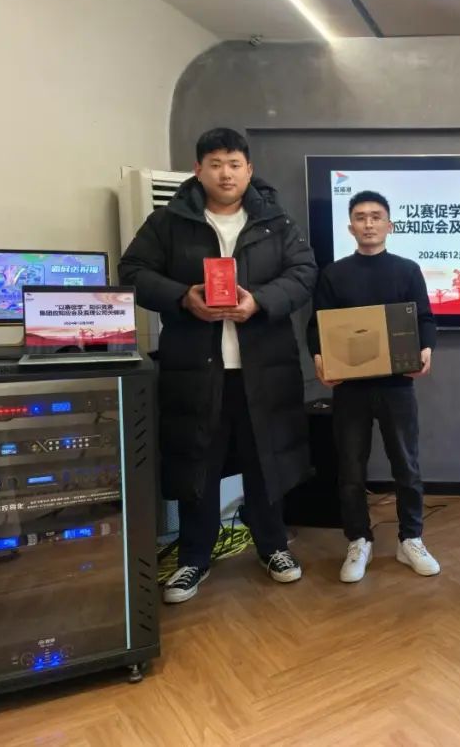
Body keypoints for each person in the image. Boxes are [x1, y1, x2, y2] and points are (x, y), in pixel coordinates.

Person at [120, 128, 317, 603]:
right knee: (198, 462)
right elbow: (133, 272)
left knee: (266, 458)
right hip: (196, 368)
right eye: (215, 164)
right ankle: (193, 558)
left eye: (234, 164)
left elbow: (304, 272)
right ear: (198, 170)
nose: (225, 173)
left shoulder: (275, 221)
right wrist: (182, 297)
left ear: (249, 170)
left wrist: (260, 301)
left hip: (264, 369)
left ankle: (273, 545)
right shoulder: (169, 221)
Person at [308, 190, 439, 583]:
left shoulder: (407, 270)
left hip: (397, 385)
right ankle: (358, 539)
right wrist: (319, 356)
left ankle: (410, 538)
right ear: (350, 227)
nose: (368, 223)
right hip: (350, 387)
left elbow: (425, 318)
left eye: (376, 216)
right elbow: (318, 324)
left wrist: (426, 348)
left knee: (407, 465)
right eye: (361, 217)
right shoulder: (334, 274)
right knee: (350, 468)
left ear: (389, 225)